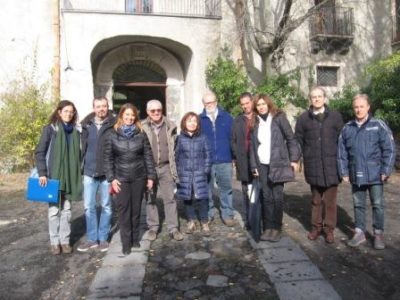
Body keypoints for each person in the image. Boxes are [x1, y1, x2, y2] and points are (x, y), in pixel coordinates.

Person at [337, 94, 396, 250]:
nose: (358, 109)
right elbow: (341, 152)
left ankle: (378, 234)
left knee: (378, 205)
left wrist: (386, 170)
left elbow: (389, 149)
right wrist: (344, 171)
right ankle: (359, 232)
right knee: (358, 205)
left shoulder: (378, 125)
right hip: (356, 173)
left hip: (376, 174)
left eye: (362, 106)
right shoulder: (347, 128)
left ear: (368, 107)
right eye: (356, 107)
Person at [103, 103, 156, 255]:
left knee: (136, 210)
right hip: (121, 179)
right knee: (124, 211)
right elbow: (108, 159)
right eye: (127, 115)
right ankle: (126, 243)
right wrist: (112, 178)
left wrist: (151, 176)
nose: (130, 118)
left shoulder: (141, 134)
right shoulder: (112, 134)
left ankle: (135, 239)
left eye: (132, 115)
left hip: (139, 177)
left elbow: (148, 156)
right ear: (121, 116)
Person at [295, 86, 344, 243]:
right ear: (310, 99)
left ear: (324, 98)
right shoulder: (303, 119)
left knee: (330, 202)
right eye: (313, 97)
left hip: (332, 167)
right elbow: (298, 142)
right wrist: (296, 159)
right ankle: (316, 228)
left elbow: (342, 141)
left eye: (319, 96)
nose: (316, 99)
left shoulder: (335, 117)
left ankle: (329, 230)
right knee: (316, 201)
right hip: (313, 166)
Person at [250, 94, 300, 242]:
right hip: (262, 164)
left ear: (268, 104)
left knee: (277, 196)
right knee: (266, 196)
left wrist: (294, 159)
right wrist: (254, 165)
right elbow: (253, 147)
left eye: (263, 104)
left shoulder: (279, 118)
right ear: (256, 107)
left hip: (278, 163)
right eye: (258, 105)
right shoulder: (255, 123)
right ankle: (268, 227)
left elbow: (291, 139)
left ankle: (276, 228)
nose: (261, 107)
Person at [35, 100, 82, 255]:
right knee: (54, 211)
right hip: (53, 177)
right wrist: (42, 173)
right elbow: (40, 152)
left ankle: (65, 241)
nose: (68, 114)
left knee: (67, 211)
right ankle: (55, 242)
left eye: (71, 111)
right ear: (59, 112)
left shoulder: (77, 131)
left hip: (70, 177)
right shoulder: (50, 129)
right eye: (66, 111)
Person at [77, 97, 116, 253]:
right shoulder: (86, 125)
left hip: (107, 173)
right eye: (98, 106)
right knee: (89, 207)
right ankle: (92, 239)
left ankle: (103, 238)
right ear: (93, 108)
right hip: (89, 172)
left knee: (106, 206)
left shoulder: (114, 125)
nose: (101, 109)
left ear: (108, 107)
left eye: (104, 106)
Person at [142, 100, 183, 241]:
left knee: (170, 198)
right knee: (150, 198)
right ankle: (153, 227)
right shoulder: (141, 127)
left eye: (158, 110)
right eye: (152, 111)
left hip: (166, 167)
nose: (156, 113)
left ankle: (173, 228)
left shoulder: (171, 126)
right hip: (149, 168)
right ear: (148, 112)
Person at [199, 91, 235, 226]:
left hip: (225, 159)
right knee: (207, 189)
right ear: (203, 104)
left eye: (212, 102)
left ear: (216, 101)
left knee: (226, 188)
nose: (210, 105)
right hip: (206, 160)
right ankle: (209, 213)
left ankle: (227, 214)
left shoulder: (227, 117)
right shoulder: (199, 119)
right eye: (207, 103)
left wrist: (234, 157)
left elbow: (233, 138)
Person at [175, 112, 212, 234]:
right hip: (185, 174)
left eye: (195, 121)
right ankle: (191, 221)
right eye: (189, 121)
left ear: (198, 124)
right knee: (188, 199)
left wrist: (205, 170)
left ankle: (204, 222)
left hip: (200, 173)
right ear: (184, 123)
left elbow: (207, 155)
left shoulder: (203, 137)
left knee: (202, 199)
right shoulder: (180, 139)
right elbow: (176, 156)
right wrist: (178, 171)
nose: (192, 123)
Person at [231, 92, 255, 229]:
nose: (245, 106)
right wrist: (236, 155)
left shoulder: (259, 117)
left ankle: (260, 217)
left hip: (259, 161)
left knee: (260, 190)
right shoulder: (238, 120)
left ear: (252, 101)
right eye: (243, 104)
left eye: (247, 103)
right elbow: (233, 140)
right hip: (243, 160)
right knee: (247, 191)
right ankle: (249, 218)